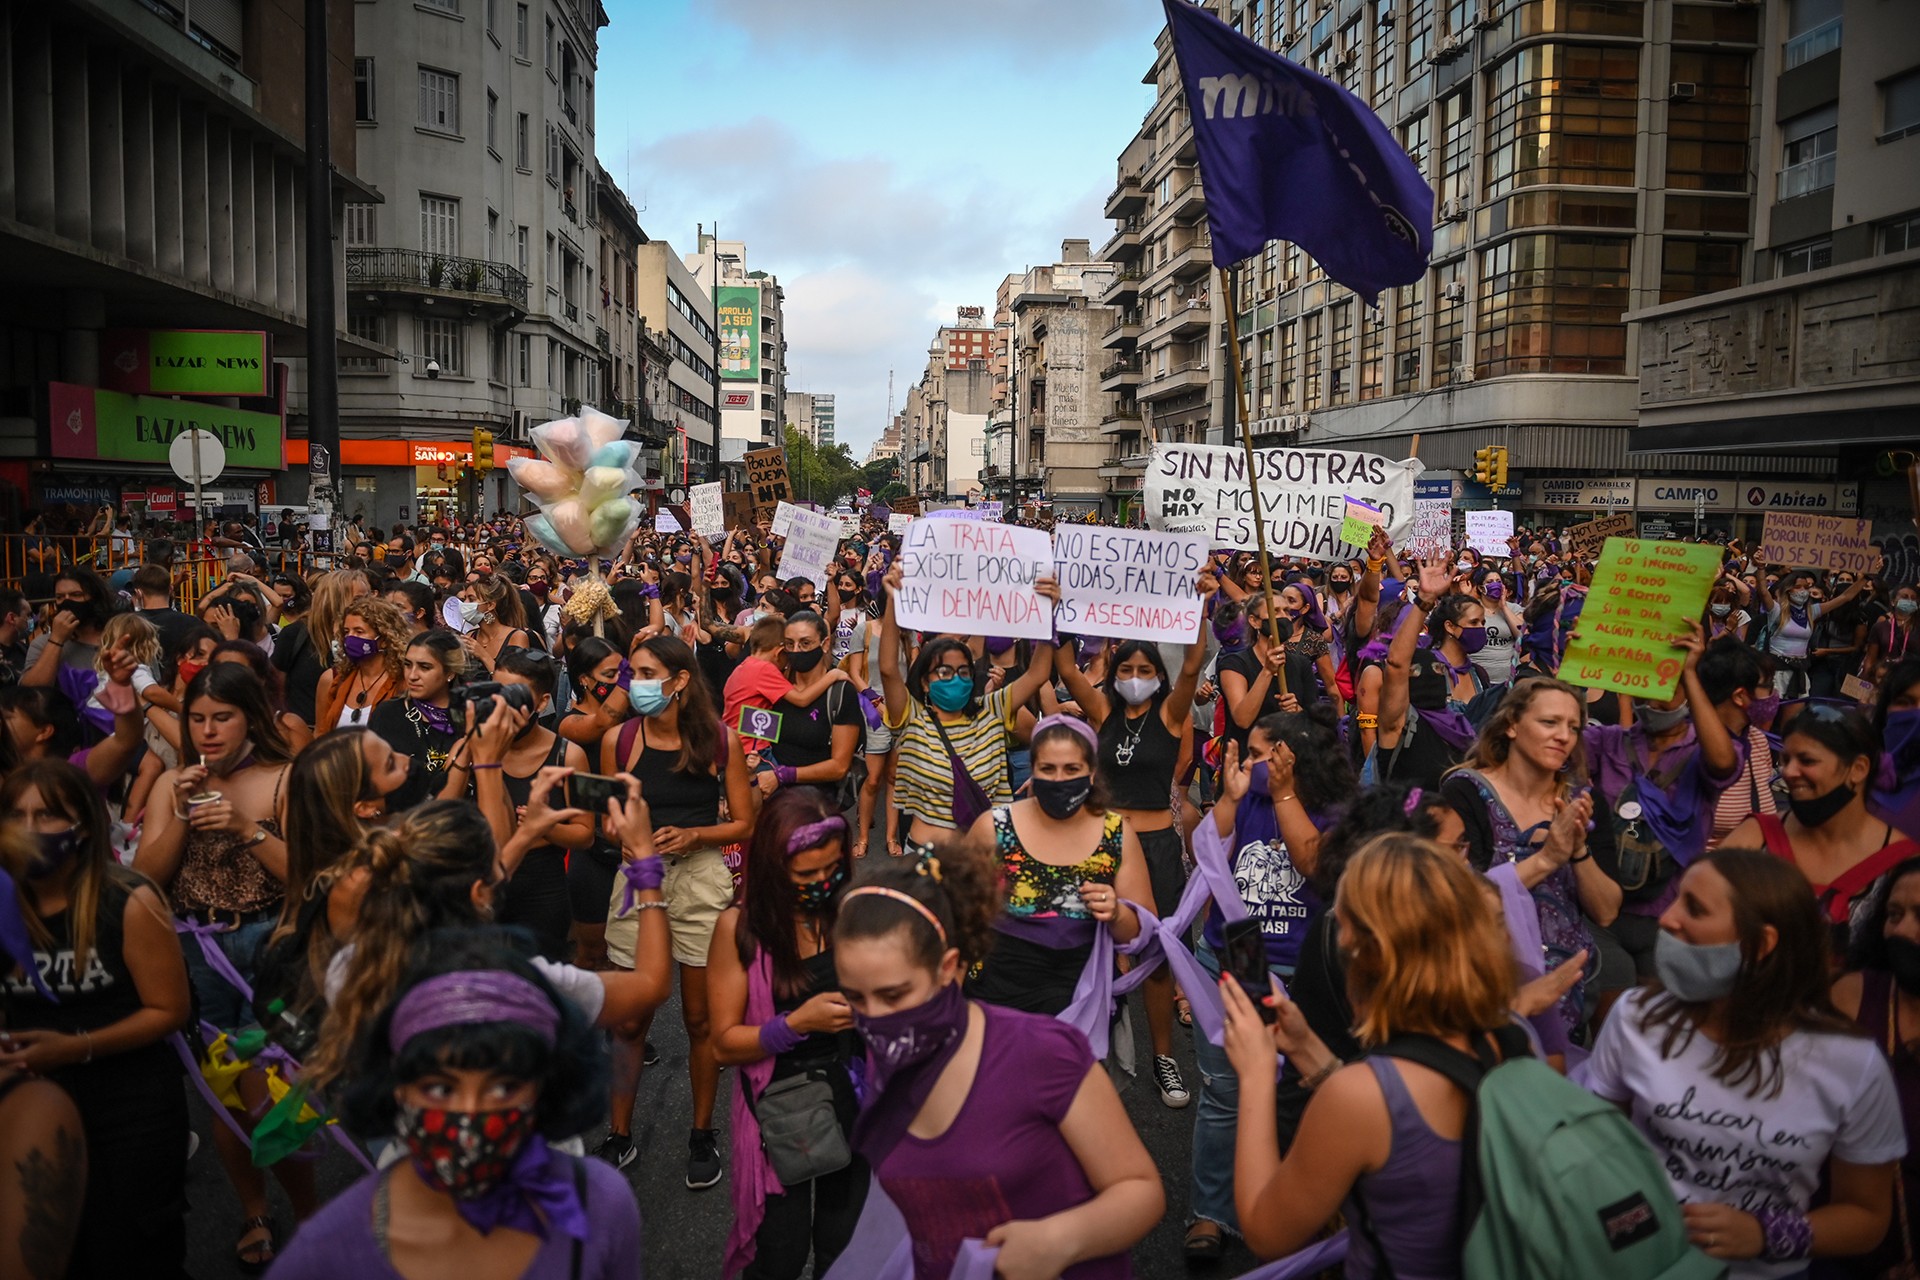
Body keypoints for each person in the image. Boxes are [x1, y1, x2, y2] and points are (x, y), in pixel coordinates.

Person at [832, 843, 1164, 1278]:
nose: (874, 1018)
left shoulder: (1041, 1052)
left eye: (895, 995)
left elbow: (1141, 1191)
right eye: (855, 997)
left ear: (948, 967)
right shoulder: (888, 1059)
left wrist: (1058, 1240)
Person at [1578, 850, 1903, 1277]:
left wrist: (1765, 1233)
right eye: (1677, 900)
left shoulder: (1851, 1064)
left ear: (1760, 944)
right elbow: (1597, 1147)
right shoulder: (1636, 1016)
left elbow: (1866, 1216)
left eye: (1694, 908)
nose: (1667, 919)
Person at [1219, 834, 1522, 1273]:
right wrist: (1305, 1047)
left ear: (1368, 953)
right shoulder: (1511, 1036)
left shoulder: (1356, 1098)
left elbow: (1267, 1232)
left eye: (1340, 927)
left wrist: (1256, 1073)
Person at [266, 932, 642, 1280]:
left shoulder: (602, 1204)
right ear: (396, 1088)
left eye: (503, 1087)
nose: (470, 1113)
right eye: (440, 1088)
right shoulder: (327, 1253)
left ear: (545, 1090)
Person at [133, 661, 309, 1269]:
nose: (208, 731)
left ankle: (315, 1219)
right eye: (198, 719)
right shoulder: (171, 785)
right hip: (196, 949)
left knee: (280, 1095)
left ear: (250, 719)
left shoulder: (284, 779)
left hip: (270, 947)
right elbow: (144, 882)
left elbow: (311, 882)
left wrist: (244, 827)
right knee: (225, 1095)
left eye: (222, 718)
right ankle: (253, 1209)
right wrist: (181, 814)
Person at [0, 762, 192, 1279]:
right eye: (15, 815)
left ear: (83, 824)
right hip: (33, 1107)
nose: (29, 829)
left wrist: (74, 1047)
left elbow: (169, 1011)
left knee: (131, 1251)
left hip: (128, 1110)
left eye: (47, 815)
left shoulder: (128, 900)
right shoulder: (4, 905)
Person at [1183, 708, 1353, 1259]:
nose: (1247, 761)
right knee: (1225, 1091)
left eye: (1257, 753)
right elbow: (1206, 854)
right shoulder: (1245, 796)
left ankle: (1293, 1211)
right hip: (1239, 952)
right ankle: (1211, 1211)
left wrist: (1283, 795)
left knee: (1297, 1097)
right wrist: (1229, 799)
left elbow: (1315, 868)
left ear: (1288, 758)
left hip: (1303, 966)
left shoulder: (1339, 810)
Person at [598, 635, 755, 1184]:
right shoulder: (618, 741)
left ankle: (702, 1133)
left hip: (698, 881)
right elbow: (605, 820)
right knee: (629, 1018)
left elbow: (744, 822)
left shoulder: (720, 741)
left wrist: (694, 835)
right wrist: (621, 837)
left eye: (645, 673)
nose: (634, 684)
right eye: (631, 673)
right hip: (638, 883)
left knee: (699, 1019)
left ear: (680, 680)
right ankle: (618, 1135)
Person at [1054, 587, 1213, 1108]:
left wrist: (1198, 604)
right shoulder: (1103, 712)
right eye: (1125, 669)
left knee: (1160, 952)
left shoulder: (1171, 715)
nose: (1134, 677)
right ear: (1114, 674)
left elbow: (1193, 663)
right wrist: (1058, 607)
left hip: (1158, 846)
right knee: (1088, 946)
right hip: (1104, 846)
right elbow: (1067, 667)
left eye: (1144, 668)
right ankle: (1087, 1052)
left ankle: (1163, 1058)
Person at [708, 790, 868, 1280]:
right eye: (805, 876)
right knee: (781, 1252)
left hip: (854, 1100)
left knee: (843, 1247)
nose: (822, 884)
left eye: (831, 871)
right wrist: (796, 1024)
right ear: (775, 869)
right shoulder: (741, 930)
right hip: (780, 1113)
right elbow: (723, 1042)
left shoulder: (853, 913)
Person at [1441, 678, 1621, 1039]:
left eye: (1573, 727)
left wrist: (1578, 851)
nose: (1563, 737)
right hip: (1488, 980)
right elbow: (1462, 899)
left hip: (1567, 987)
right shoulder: (1465, 790)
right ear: (1511, 725)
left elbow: (1606, 911)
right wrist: (1548, 858)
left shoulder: (1583, 801)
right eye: (1549, 722)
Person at [961, 715, 1151, 1022]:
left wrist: (1116, 912)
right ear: (1032, 770)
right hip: (998, 1001)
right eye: (1048, 769)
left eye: (1072, 769)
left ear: (1091, 773)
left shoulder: (1116, 834)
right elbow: (956, 915)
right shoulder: (994, 828)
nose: (1059, 779)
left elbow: (1143, 932)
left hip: (1082, 1003)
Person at [876, 562, 1060, 859]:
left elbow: (1038, 674)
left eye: (963, 671)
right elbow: (888, 670)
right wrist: (893, 603)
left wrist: (1048, 615)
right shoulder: (912, 719)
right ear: (925, 682)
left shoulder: (991, 711)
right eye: (944, 672)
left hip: (980, 860)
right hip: (924, 859)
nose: (956, 679)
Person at [1725, 704, 1920, 958]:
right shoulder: (1756, 836)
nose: (1789, 772)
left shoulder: (1900, 860)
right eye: (1785, 760)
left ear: (1858, 769)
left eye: (1807, 760)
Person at [488, 648, 594, 961]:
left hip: (542, 886)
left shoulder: (571, 756)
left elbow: (585, 834)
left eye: (514, 695)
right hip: (483, 880)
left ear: (543, 702)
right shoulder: (476, 748)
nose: (501, 705)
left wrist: (545, 826)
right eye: (495, 692)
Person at [754, 612, 863, 814]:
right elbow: (756, 737)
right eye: (789, 644)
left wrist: (782, 776)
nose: (796, 651)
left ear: (825, 643)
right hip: (770, 804)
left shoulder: (839, 693)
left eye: (805, 643)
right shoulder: (776, 687)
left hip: (816, 809)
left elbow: (839, 766)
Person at [366, 629, 468, 804]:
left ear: (450, 672)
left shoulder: (469, 717)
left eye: (424, 667)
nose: (412, 676)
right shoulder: (388, 714)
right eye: (407, 665)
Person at [274, 569, 370, 727]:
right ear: (335, 599)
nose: (367, 605)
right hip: (305, 733)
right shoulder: (295, 634)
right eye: (359, 599)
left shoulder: (369, 637)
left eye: (368, 597)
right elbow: (276, 688)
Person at [315, 595, 409, 732]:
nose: (350, 637)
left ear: (384, 639)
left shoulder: (404, 684)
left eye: (359, 631)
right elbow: (320, 732)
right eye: (346, 632)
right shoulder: (334, 679)